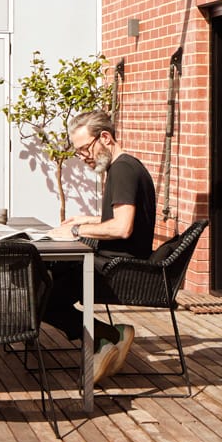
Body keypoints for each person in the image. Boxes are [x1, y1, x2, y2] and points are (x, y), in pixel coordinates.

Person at [44, 109, 156, 385]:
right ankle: (108, 337)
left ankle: (106, 338)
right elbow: (123, 219)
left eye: (85, 149)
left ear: (105, 137)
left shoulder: (122, 171)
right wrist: (89, 219)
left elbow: (122, 228)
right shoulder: (127, 167)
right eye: (79, 153)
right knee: (49, 280)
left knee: (42, 297)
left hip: (118, 270)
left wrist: (75, 229)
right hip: (119, 262)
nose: (83, 158)